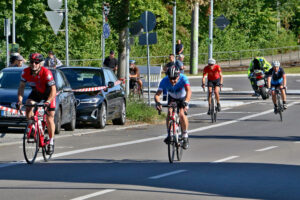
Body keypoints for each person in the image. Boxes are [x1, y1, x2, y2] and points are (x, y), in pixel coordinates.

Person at [17, 53, 56, 154]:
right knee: (28, 104)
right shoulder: (25, 72)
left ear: (40, 63)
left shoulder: (46, 73)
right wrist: (19, 101)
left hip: (48, 94)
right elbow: (21, 87)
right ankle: (32, 128)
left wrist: (47, 101)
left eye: (36, 62)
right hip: (37, 92)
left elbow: (53, 89)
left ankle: (51, 142)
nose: (33, 64)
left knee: (49, 118)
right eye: (31, 62)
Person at [154, 66, 192, 149]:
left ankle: (185, 135)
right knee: (170, 113)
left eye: (175, 78)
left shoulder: (183, 78)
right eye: (171, 78)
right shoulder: (164, 81)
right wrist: (158, 103)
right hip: (172, 98)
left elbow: (189, 90)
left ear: (178, 76)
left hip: (182, 98)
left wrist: (186, 101)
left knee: (182, 114)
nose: (173, 81)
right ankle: (170, 134)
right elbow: (157, 94)